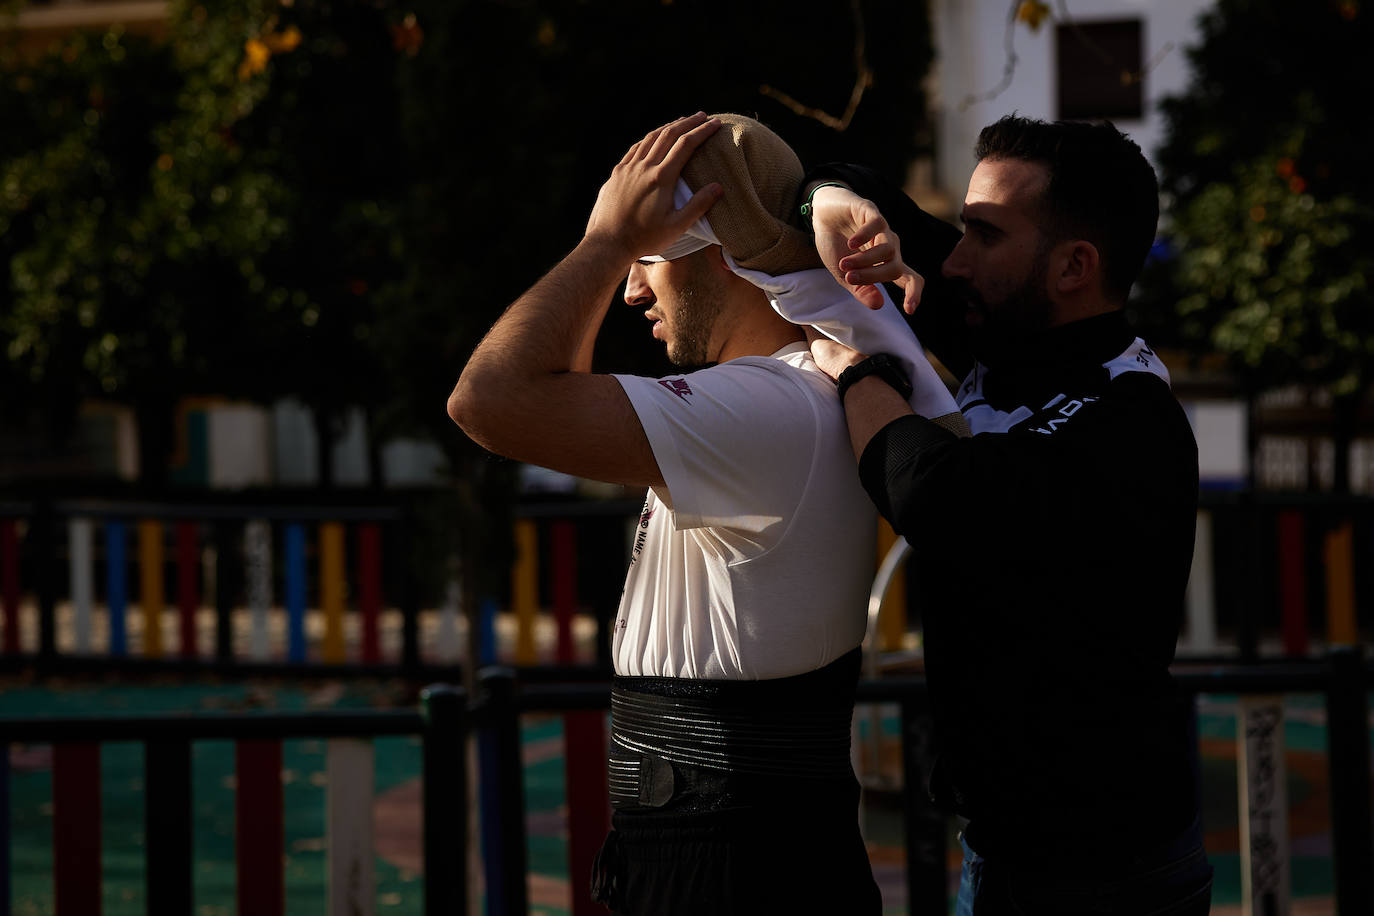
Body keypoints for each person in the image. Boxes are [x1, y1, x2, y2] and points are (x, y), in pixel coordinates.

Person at [447, 112, 896, 915]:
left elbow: (491, 401)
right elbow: (557, 398)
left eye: (648, 257)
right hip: (736, 849)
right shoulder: (777, 400)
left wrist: (600, 242)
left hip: (735, 866)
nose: (628, 288)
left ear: (718, 254)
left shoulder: (771, 408)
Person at [800, 115, 1213, 914]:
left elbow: (935, 495)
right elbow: (832, 176)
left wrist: (858, 371)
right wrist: (842, 209)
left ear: (1074, 267)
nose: (952, 259)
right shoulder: (997, 316)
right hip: (999, 853)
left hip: (1110, 875)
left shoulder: (1134, 420)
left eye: (984, 235)